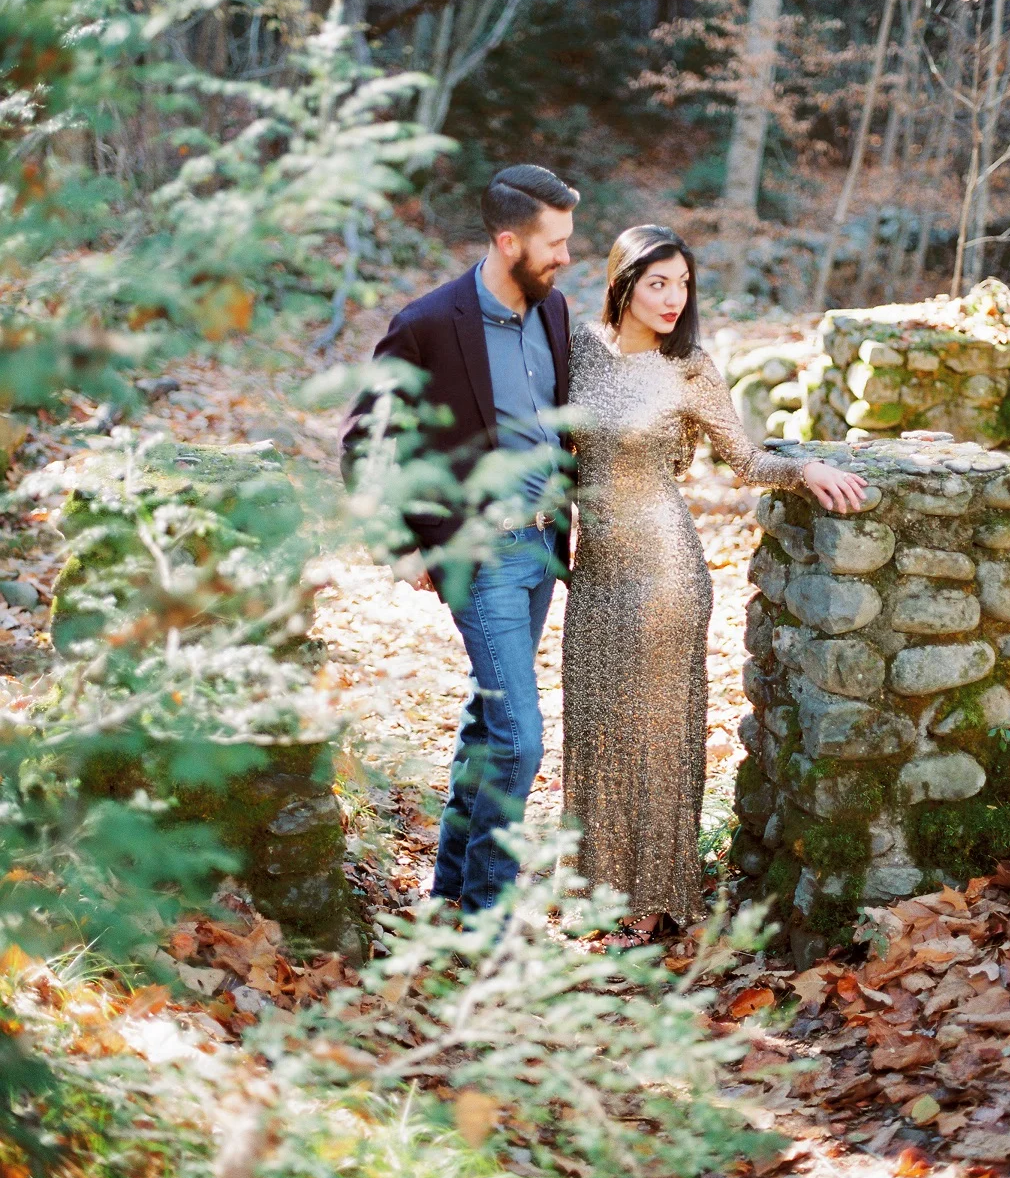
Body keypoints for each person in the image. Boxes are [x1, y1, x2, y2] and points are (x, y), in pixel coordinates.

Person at [562, 225, 868, 947]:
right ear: (623, 282)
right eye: (657, 282)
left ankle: (655, 899)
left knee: (657, 733)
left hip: (664, 570)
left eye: (683, 284)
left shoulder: (689, 366)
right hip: (595, 571)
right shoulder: (576, 350)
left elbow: (744, 456)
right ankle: (599, 887)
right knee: (595, 728)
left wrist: (804, 471)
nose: (673, 298)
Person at [340, 164, 578, 915]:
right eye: (554, 243)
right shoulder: (429, 324)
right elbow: (364, 439)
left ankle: (448, 891)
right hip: (477, 553)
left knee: (489, 723)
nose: (566, 257)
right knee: (519, 741)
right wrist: (399, 541)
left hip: (543, 550)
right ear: (507, 242)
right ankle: (485, 920)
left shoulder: (556, 311)